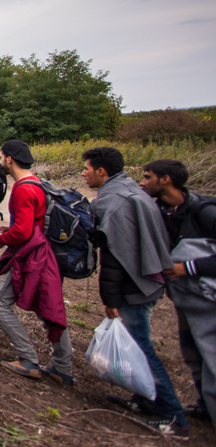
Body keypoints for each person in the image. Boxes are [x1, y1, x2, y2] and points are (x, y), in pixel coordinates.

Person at [82, 147, 189, 439]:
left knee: (141, 348)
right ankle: (144, 400)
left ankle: (174, 417)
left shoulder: (113, 203)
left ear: (101, 172)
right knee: (137, 342)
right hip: (149, 277)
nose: (83, 173)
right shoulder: (128, 189)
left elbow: (115, 257)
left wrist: (111, 300)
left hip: (135, 284)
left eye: (87, 169)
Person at [0, 140, 72, 385]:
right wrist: (11, 228)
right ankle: (63, 366)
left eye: (2, 156)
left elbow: (24, 232)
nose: (1, 160)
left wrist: (2, 238)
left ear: (9, 159)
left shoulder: (23, 189)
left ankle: (28, 359)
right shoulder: (38, 183)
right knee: (50, 306)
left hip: (30, 255)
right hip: (43, 252)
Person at [140, 159, 215, 422]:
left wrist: (190, 267)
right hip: (185, 298)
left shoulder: (205, 212)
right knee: (194, 355)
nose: (142, 182)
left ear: (166, 180)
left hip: (208, 298)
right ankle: (205, 407)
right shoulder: (160, 211)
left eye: (148, 177)